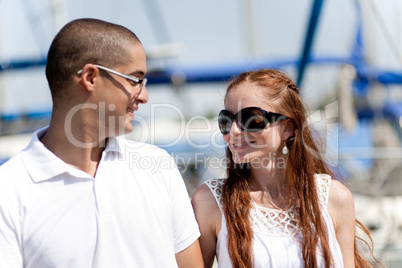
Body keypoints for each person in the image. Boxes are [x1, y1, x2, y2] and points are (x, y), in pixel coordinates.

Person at [0, 18, 203, 268]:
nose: (145, 96)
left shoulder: (160, 167)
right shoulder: (7, 191)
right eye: (135, 80)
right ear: (90, 77)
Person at [192, 69, 379, 267]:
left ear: (287, 128)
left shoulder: (335, 198)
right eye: (226, 121)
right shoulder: (210, 202)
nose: (234, 131)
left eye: (251, 119)